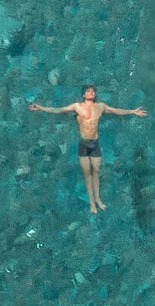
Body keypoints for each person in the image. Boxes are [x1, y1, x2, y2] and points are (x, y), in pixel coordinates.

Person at [28, 83, 145, 214]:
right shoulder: (77, 106)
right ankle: (91, 202)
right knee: (87, 174)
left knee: (96, 172)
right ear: (83, 95)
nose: (92, 92)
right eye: (88, 91)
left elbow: (116, 111)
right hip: (84, 144)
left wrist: (133, 111)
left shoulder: (100, 107)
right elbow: (58, 110)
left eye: (93, 91)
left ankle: (98, 199)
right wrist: (40, 108)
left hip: (95, 143)